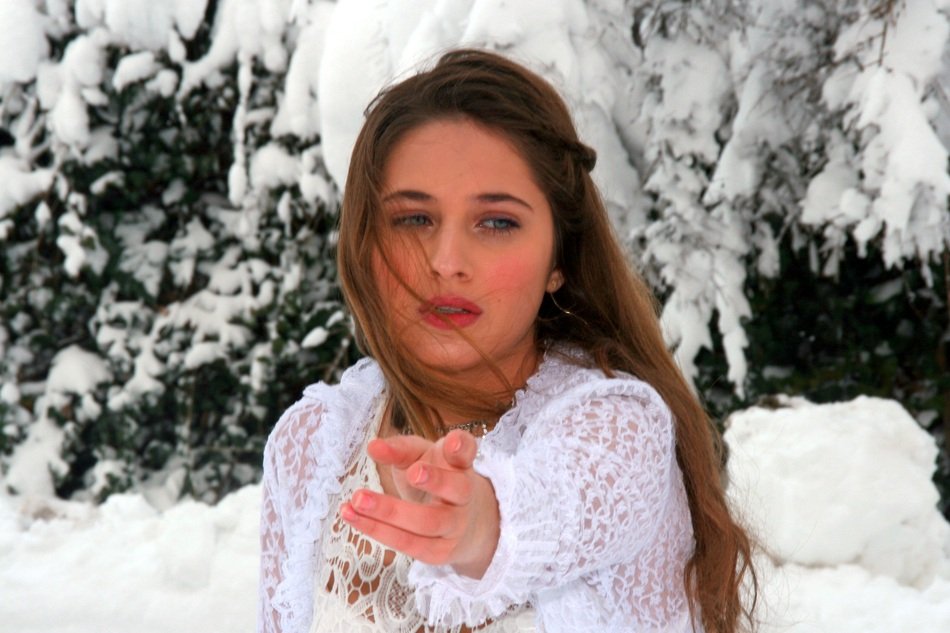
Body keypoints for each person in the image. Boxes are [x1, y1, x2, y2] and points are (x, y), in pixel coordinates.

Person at [258, 48, 756, 633]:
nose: (446, 263)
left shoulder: (615, 427)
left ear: (558, 260)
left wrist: (476, 523)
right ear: (365, 244)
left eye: (496, 222)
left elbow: (556, 506)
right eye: (414, 219)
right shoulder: (313, 445)